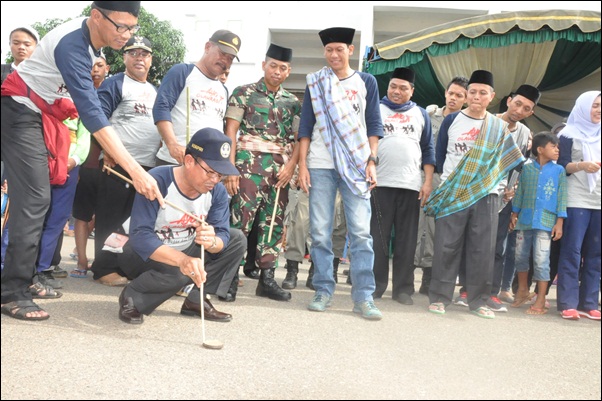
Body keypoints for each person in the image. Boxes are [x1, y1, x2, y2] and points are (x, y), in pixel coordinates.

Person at [1, 1, 163, 322]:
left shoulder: (93, 44)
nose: (127, 36)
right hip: (21, 111)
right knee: (34, 199)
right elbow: (92, 112)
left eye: (132, 28)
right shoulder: (73, 44)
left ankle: (25, 277)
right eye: (121, 27)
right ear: (96, 17)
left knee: (40, 200)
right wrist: (133, 168)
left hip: (44, 114)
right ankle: (11, 291)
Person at [116, 128, 246, 324]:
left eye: (220, 175)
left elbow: (223, 235)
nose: (214, 180)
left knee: (237, 240)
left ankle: (196, 300)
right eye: (210, 172)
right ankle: (133, 297)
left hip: (182, 247)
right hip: (140, 253)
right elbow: (140, 236)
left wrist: (212, 242)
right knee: (180, 272)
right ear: (189, 161)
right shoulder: (158, 180)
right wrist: (182, 260)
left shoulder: (216, 191)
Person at [297, 27, 384, 320]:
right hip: (320, 163)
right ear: (325, 52)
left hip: (358, 163)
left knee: (360, 232)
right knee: (319, 232)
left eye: (339, 49)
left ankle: (364, 297)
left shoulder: (366, 82)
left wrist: (372, 160)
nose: (334, 54)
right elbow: (305, 126)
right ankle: (323, 289)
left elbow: (373, 123)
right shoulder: (316, 83)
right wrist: (302, 165)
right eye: (329, 50)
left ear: (350, 50)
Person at [424, 69, 524, 319]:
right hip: (453, 191)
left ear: (492, 96)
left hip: (487, 194)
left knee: (482, 249)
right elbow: (441, 155)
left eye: (483, 92)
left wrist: (503, 189)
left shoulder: (499, 127)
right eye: (473, 92)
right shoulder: (451, 120)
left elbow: (509, 162)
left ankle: (478, 300)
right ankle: (439, 297)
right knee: (446, 246)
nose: (477, 96)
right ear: (466, 95)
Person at [225, 43, 301, 302]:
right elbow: (231, 132)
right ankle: (229, 278)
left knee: (273, 223)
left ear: (288, 71)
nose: (277, 72)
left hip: (280, 171)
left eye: (282, 68)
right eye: (273, 66)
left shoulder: (292, 102)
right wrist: (230, 168)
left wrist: (291, 168)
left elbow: (299, 139)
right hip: (247, 167)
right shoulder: (243, 93)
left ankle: (267, 279)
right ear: (263, 65)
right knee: (240, 221)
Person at [91, 35, 160, 286]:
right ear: (125, 57)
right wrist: (107, 151)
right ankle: (104, 269)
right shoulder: (115, 83)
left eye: (144, 54)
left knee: (135, 222)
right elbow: (97, 118)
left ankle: (126, 265)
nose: (139, 58)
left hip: (148, 167)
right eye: (133, 53)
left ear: (151, 60)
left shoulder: (155, 91)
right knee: (111, 218)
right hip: (117, 165)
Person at [370, 67, 435, 305]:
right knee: (377, 237)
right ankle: (375, 286)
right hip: (379, 183)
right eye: (393, 87)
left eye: (403, 88)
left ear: (412, 90)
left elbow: (428, 149)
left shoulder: (420, 114)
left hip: (411, 186)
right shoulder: (375, 109)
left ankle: (403, 289)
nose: (397, 92)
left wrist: (427, 181)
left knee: (407, 240)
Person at [153, 29, 240, 166]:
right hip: (174, 162)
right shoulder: (183, 72)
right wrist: (173, 145)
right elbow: (161, 108)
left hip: (205, 168)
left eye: (231, 58)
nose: (225, 61)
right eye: (222, 53)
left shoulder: (223, 90)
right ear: (207, 47)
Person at [414, 76, 468, 295]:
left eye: (459, 95)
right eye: (451, 93)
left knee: (437, 229)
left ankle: (429, 276)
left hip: (447, 180)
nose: (454, 98)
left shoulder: (465, 122)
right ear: (445, 93)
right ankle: (407, 274)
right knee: (416, 225)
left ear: (465, 99)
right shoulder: (428, 115)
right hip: (422, 175)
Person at [509, 132, 567, 315]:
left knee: (541, 261)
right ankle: (523, 290)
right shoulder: (527, 169)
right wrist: (514, 213)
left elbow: (562, 197)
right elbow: (520, 193)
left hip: (546, 222)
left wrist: (559, 222)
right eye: (553, 146)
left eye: (557, 147)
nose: (557, 150)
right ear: (540, 150)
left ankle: (540, 299)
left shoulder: (559, 171)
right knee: (520, 256)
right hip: (525, 220)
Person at [556, 90, 601, 321]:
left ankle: (590, 302)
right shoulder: (568, 134)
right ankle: (568, 302)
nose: (599, 110)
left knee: (596, 253)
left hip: (599, 201)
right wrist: (581, 165)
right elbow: (561, 166)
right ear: (583, 106)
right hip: (576, 199)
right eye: (594, 105)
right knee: (572, 251)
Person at [70, 56, 111, 277]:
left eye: (100, 65)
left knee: (105, 214)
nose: (95, 70)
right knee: (82, 214)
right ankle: (82, 261)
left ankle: (87, 251)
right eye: (91, 65)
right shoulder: (79, 93)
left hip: (109, 166)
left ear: (108, 68)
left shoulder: (113, 92)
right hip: (84, 164)